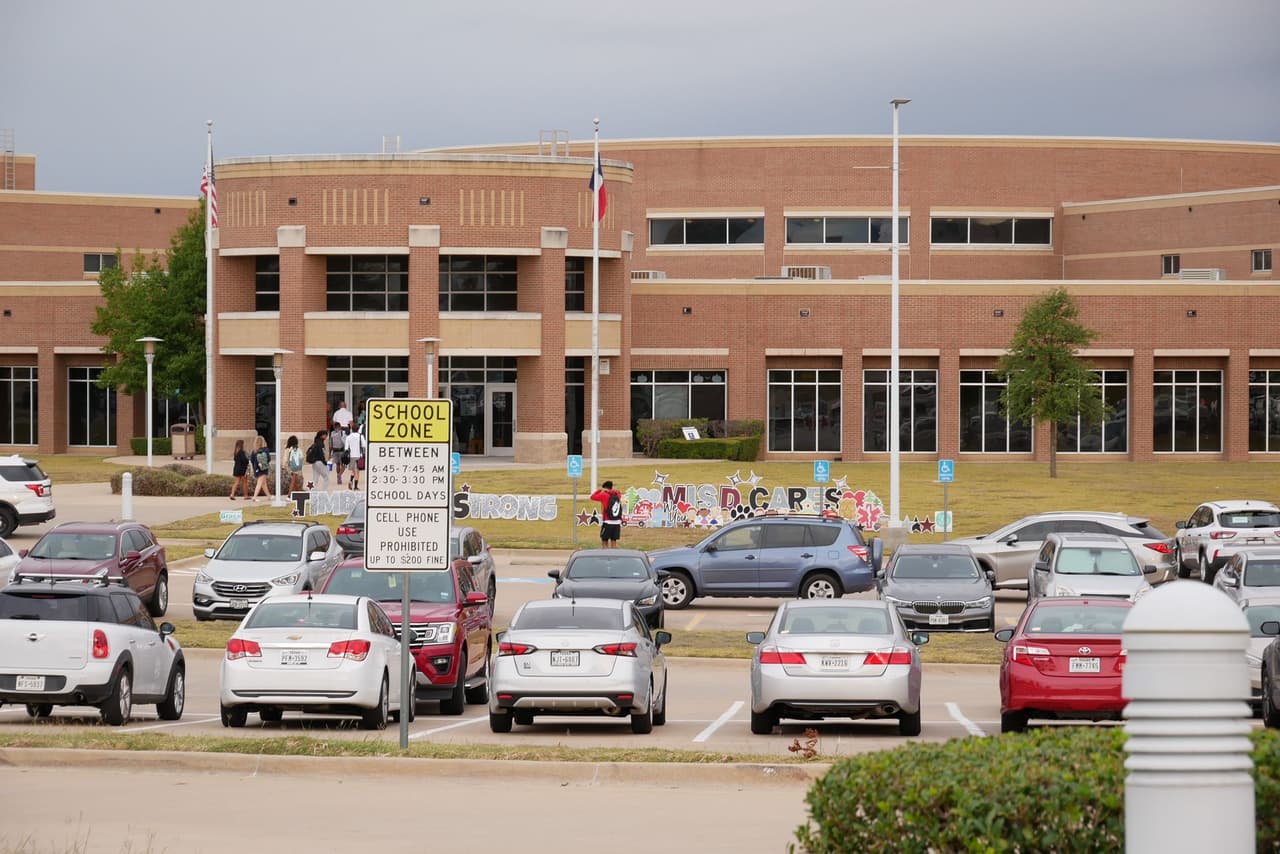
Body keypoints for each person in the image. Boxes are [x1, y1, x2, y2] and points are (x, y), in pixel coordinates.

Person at [590, 480, 624, 548]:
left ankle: (605, 553)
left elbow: (592, 497)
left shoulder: (604, 495)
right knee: (613, 541)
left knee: (604, 540)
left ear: (604, 488)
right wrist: (611, 490)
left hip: (608, 521)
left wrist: (599, 491)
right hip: (617, 522)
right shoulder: (617, 494)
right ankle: (613, 554)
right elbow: (618, 492)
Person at [249, 435, 273, 502]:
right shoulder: (265, 450)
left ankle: (269, 496)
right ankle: (254, 497)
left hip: (257, 469)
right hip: (263, 468)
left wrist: (254, 467)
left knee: (263, 483)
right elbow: (269, 459)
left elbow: (251, 460)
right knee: (259, 483)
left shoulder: (254, 451)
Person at [344, 425, 365, 489]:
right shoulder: (360, 436)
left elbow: (346, 448)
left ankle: (350, 481)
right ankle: (355, 487)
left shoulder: (348, 437)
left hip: (351, 456)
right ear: (358, 429)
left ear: (351, 429)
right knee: (357, 472)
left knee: (353, 471)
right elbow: (364, 445)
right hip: (359, 456)